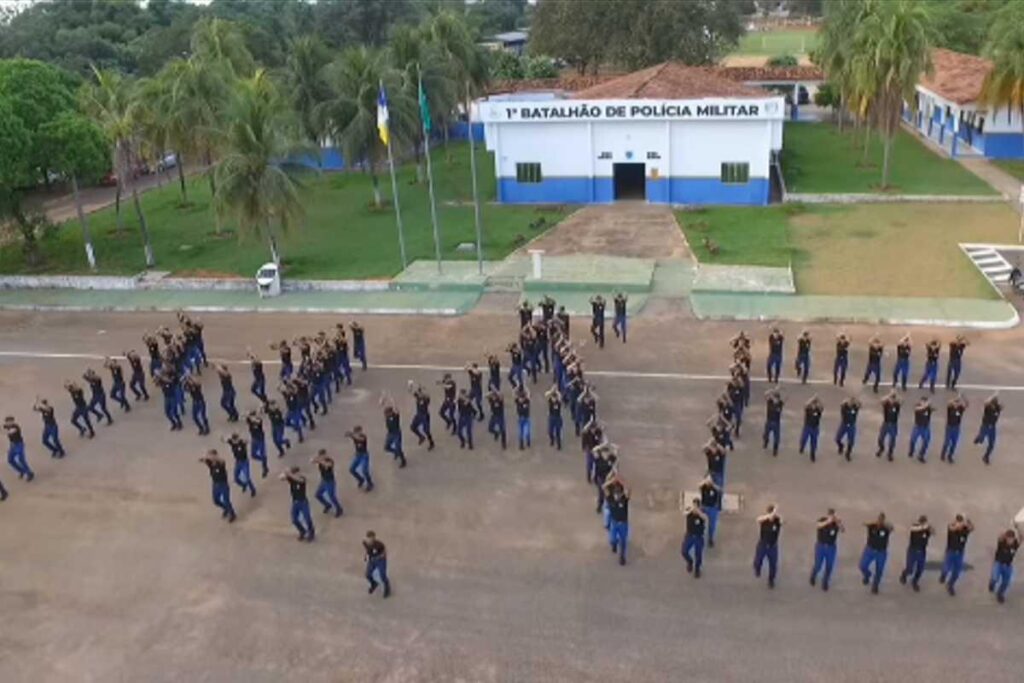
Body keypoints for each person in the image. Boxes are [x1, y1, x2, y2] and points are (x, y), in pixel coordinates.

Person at [939, 514, 974, 596]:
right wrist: (958, 525)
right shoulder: (951, 527)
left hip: (960, 553)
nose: (960, 524)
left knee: (957, 572)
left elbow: (972, 528)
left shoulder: (965, 529)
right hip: (951, 551)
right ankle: (943, 575)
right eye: (958, 521)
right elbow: (952, 528)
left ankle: (950, 585)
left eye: (961, 522)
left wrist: (969, 522)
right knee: (946, 567)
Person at [810, 509, 844, 591]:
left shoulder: (836, 523)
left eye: (833, 515)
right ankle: (813, 576)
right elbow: (818, 525)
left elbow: (842, 530)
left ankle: (825, 582)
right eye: (830, 515)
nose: (832, 517)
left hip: (831, 547)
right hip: (821, 546)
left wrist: (838, 523)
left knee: (829, 566)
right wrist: (827, 522)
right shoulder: (822, 520)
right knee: (818, 565)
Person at [859, 513, 893, 594]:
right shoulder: (872, 526)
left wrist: (884, 524)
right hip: (870, 549)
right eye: (879, 519)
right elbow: (864, 523)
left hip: (881, 552)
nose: (880, 521)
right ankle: (867, 575)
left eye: (882, 520)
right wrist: (874, 523)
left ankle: (875, 585)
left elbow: (891, 528)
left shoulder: (886, 529)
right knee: (862, 566)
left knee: (879, 570)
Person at [198, 450, 235, 523]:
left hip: (223, 484)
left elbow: (222, 461)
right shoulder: (210, 463)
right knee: (216, 501)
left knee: (226, 500)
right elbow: (202, 460)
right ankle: (226, 509)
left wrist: (215, 457)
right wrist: (205, 458)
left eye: (212, 456)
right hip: (215, 485)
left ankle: (232, 514)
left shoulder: (220, 463)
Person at [899, 515, 933, 592]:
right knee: (910, 569)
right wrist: (923, 527)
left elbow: (933, 532)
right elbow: (913, 528)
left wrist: (929, 528)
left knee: (920, 569)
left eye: (924, 522)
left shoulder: (926, 530)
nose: (923, 523)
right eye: (922, 522)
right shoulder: (915, 527)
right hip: (912, 551)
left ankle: (915, 581)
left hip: (922, 551)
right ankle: (904, 575)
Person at [280, 467, 315, 542]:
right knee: (294, 520)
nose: (299, 474)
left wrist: (289, 474)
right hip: (295, 503)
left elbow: (300, 480)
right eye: (296, 473)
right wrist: (285, 473)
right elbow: (281, 478)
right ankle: (302, 531)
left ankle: (311, 533)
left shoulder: (302, 479)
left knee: (307, 518)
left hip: (303, 502)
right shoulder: (291, 479)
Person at [754, 505, 782, 588]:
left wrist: (775, 514)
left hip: (773, 546)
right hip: (763, 545)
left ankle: (771, 580)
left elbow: (783, 521)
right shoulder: (764, 520)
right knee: (758, 561)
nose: (774, 515)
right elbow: (758, 519)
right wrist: (768, 516)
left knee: (773, 564)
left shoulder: (777, 520)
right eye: (773, 512)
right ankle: (757, 569)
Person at [989, 529, 1020, 604]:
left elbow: (1022, 537)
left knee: (1006, 582)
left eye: (1011, 539)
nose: (1010, 541)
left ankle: (1000, 594)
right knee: (995, 578)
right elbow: (1000, 537)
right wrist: (1004, 534)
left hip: (1008, 565)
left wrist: (1018, 528)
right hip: (998, 563)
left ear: (1014, 538)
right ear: (1006, 538)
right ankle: (992, 583)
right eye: (1008, 538)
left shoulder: (1015, 544)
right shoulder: (1002, 543)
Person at [223, 432, 256, 497]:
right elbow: (225, 440)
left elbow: (248, 441)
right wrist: (222, 438)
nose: (235, 442)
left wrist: (246, 440)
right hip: (238, 462)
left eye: (236, 440)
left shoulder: (242, 443)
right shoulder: (231, 442)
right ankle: (243, 484)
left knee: (247, 477)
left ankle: (253, 489)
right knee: (236, 478)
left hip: (244, 462)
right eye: (234, 440)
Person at [681, 499, 708, 578]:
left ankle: (697, 569)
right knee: (684, 551)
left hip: (698, 536)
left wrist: (699, 512)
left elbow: (705, 518)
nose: (695, 507)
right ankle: (690, 561)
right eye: (694, 505)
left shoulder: (702, 512)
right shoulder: (689, 511)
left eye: (696, 506)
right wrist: (691, 510)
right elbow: (684, 513)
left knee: (698, 554)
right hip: (689, 535)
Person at [312, 449, 343, 517]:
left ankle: (339, 509)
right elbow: (312, 461)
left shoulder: (330, 460)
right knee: (317, 495)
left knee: (332, 496)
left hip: (330, 481)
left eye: (323, 455)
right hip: (323, 481)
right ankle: (327, 505)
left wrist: (320, 461)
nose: (322, 456)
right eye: (320, 455)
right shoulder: (320, 461)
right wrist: (316, 459)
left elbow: (328, 465)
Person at [974, 393, 1002, 464]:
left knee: (992, 444)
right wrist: (992, 396)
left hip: (992, 427)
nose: (993, 405)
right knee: (981, 438)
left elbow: (1001, 406)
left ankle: (986, 456)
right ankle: (978, 438)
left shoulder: (998, 408)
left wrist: (995, 398)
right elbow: (986, 403)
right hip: (985, 425)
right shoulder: (988, 408)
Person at [3, 417, 34, 482]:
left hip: (19, 445)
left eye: (10, 422)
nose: (9, 423)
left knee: (21, 459)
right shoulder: (6, 426)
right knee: (10, 460)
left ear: (13, 421)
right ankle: (21, 470)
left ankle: (29, 473)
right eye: (7, 422)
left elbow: (8, 432)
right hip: (12, 445)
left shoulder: (16, 427)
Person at [940, 394, 968, 463]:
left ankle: (950, 456)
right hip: (949, 427)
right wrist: (956, 398)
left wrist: (964, 397)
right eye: (955, 403)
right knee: (946, 442)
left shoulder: (960, 409)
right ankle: (943, 454)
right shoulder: (950, 408)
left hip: (956, 427)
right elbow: (948, 402)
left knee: (954, 443)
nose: (956, 404)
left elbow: (967, 404)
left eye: (957, 403)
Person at [607, 483, 630, 565]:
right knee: (612, 539)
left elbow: (629, 489)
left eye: (619, 493)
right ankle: (614, 544)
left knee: (623, 541)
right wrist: (612, 479)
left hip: (623, 523)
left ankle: (622, 557)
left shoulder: (624, 500)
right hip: (614, 522)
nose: (617, 495)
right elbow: (604, 487)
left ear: (621, 493)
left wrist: (622, 481)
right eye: (616, 493)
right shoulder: (610, 499)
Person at [381, 394, 407, 466]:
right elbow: (381, 405)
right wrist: (383, 398)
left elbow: (396, 409)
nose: (386, 415)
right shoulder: (387, 416)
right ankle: (396, 452)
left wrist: (393, 401)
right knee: (386, 447)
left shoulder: (395, 416)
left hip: (396, 433)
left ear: (391, 412)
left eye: (387, 413)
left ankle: (403, 460)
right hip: (390, 433)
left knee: (398, 447)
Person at [345, 426, 374, 491]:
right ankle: (360, 479)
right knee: (351, 469)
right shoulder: (354, 436)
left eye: (358, 432)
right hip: (358, 455)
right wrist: (349, 434)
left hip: (364, 455)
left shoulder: (363, 436)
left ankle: (370, 483)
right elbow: (349, 435)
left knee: (365, 471)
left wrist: (351, 435)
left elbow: (361, 439)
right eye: (356, 432)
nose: (357, 433)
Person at [364, 531, 391, 598]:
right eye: (368, 539)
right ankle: (374, 583)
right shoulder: (365, 543)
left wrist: (378, 557)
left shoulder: (379, 544)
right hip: (372, 560)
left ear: (374, 538)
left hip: (381, 560)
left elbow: (384, 553)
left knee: (382, 575)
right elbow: (367, 550)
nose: (369, 540)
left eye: (371, 539)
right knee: (367, 575)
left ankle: (387, 588)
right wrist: (366, 556)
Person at [408, 383, 435, 450]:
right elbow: (411, 392)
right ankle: (421, 437)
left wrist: (424, 389)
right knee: (412, 427)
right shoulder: (418, 396)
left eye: (421, 392)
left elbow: (428, 396)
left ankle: (431, 443)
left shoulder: (426, 398)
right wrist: (410, 386)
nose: (419, 393)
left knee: (426, 430)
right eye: (419, 392)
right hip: (418, 415)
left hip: (424, 416)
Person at [876, 391, 901, 461]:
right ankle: (881, 448)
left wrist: (896, 394)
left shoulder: (897, 405)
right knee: (880, 438)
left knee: (892, 440)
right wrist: (889, 395)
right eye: (891, 398)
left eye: (893, 398)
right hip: (886, 423)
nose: (892, 400)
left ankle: (890, 453)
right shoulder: (886, 404)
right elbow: (881, 401)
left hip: (893, 424)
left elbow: (901, 401)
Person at [699, 475, 723, 548]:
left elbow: (720, 490)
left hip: (712, 508)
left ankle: (710, 539)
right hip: (704, 506)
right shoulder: (703, 487)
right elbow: (699, 486)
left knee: (712, 525)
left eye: (710, 480)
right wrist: (705, 481)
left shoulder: (715, 488)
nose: (709, 482)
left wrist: (713, 484)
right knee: (699, 521)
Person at [834, 396, 860, 461]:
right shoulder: (844, 407)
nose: (851, 403)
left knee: (851, 441)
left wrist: (856, 400)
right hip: (844, 424)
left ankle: (848, 453)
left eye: (852, 402)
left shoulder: (855, 407)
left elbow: (860, 404)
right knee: (837, 438)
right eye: (850, 402)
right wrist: (845, 401)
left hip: (851, 425)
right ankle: (841, 446)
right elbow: (841, 404)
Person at [799, 396, 824, 462]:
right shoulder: (808, 409)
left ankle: (812, 454)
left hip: (815, 428)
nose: (814, 405)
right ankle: (802, 447)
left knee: (814, 442)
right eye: (813, 404)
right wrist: (812, 398)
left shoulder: (818, 411)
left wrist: (818, 400)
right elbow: (805, 405)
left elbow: (822, 407)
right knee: (804, 439)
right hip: (807, 427)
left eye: (815, 404)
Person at [245, 410, 268, 478]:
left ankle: (265, 468)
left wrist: (254, 418)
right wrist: (248, 415)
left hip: (261, 439)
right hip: (254, 439)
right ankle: (263, 460)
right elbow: (247, 418)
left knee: (262, 453)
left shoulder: (259, 420)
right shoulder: (250, 420)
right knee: (253, 455)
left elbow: (258, 422)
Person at [908, 396, 933, 463]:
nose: (924, 403)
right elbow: (916, 409)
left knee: (926, 441)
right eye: (922, 401)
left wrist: (929, 405)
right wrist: (925, 406)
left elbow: (933, 408)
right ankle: (911, 450)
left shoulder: (928, 408)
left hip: (925, 427)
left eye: (925, 401)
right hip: (918, 426)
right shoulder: (917, 406)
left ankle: (921, 455)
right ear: (920, 401)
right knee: (913, 440)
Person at [762, 389, 784, 457]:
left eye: (777, 398)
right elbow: (765, 394)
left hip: (776, 423)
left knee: (776, 438)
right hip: (769, 421)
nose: (775, 400)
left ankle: (775, 449)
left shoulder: (780, 403)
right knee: (766, 434)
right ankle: (766, 441)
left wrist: (780, 390)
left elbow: (787, 397)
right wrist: (772, 390)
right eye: (774, 398)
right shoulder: (770, 402)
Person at [545, 385, 563, 450]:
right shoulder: (550, 400)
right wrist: (552, 390)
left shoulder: (558, 402)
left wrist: (556, 391)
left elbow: (560, 396)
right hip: (551, 417)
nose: (554, 399)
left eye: (555, 398)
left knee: (558, 432)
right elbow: (546, 394)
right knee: (550, 431)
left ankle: (559, 445)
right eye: (553, 398)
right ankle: (552, 439)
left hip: (558, 417)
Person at [515, 385, 531, 450]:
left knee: (527, 432)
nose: (521, 399)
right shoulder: (517, 401)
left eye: (522, 398)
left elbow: (528, 393)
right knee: (520, 432)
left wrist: (525, 388)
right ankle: (521, 445)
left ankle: (528, 440)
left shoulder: (527, 401)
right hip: (520, 418)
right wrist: (517, 387)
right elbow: (514, 393)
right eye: (520, 398)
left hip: (526, 418)